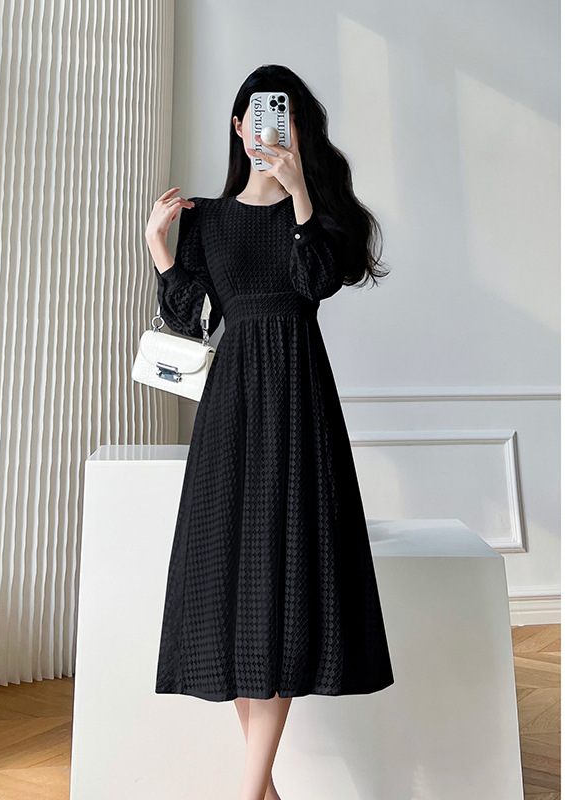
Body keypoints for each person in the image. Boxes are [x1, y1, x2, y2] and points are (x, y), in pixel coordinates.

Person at [144, 64, 394, 800]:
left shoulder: (316, 214)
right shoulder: (209, 218)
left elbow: (316, 282)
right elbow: (192, 318)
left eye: (281, 118)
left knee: (282, 582)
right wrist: (159, 246)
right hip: (230, 409)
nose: (267, 128)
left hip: (298, 401)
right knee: (237, 584)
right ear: (237, 126)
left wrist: (300, 193)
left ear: (296, 130)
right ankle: (264, 793)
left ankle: (249, 793)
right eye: (255, 115)